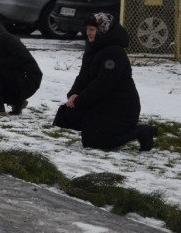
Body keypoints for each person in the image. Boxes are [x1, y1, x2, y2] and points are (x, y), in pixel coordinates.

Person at [52, 13, 158, 151]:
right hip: (103, 102)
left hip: (120, 107)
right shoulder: (93, 47)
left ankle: (141, 132)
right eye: (88, 29)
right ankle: (96, 128)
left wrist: (79, 100)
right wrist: (73, 94)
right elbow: (83, 76)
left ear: (101, 31)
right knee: (69, 113)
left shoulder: (114, 52)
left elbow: (103, 84)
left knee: (96, 143)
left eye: (92, 29)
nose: (88, 33)